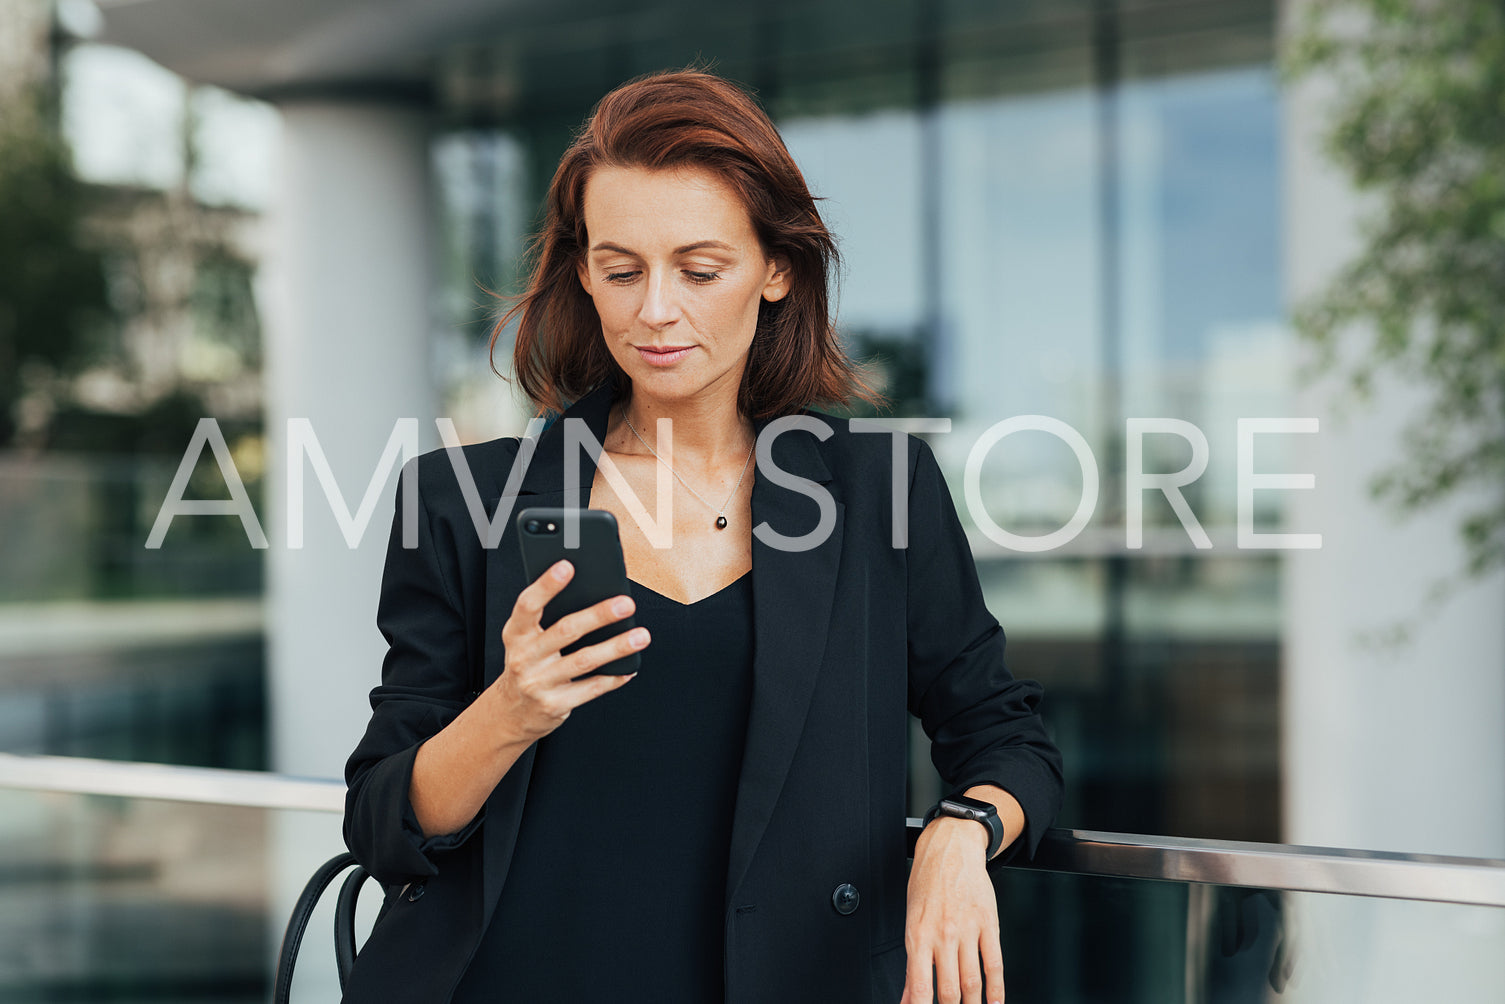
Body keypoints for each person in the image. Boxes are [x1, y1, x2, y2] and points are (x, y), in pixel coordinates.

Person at [341, 68, 1063, 1004]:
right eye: (621, 268)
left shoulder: (879, 491)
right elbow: (384, 818)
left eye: (699, 268)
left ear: (776, 270)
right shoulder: (457, 499)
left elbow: (1002, 734)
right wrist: (511, 708)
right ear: (584, 275)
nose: (654, 311)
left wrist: (960, 832)